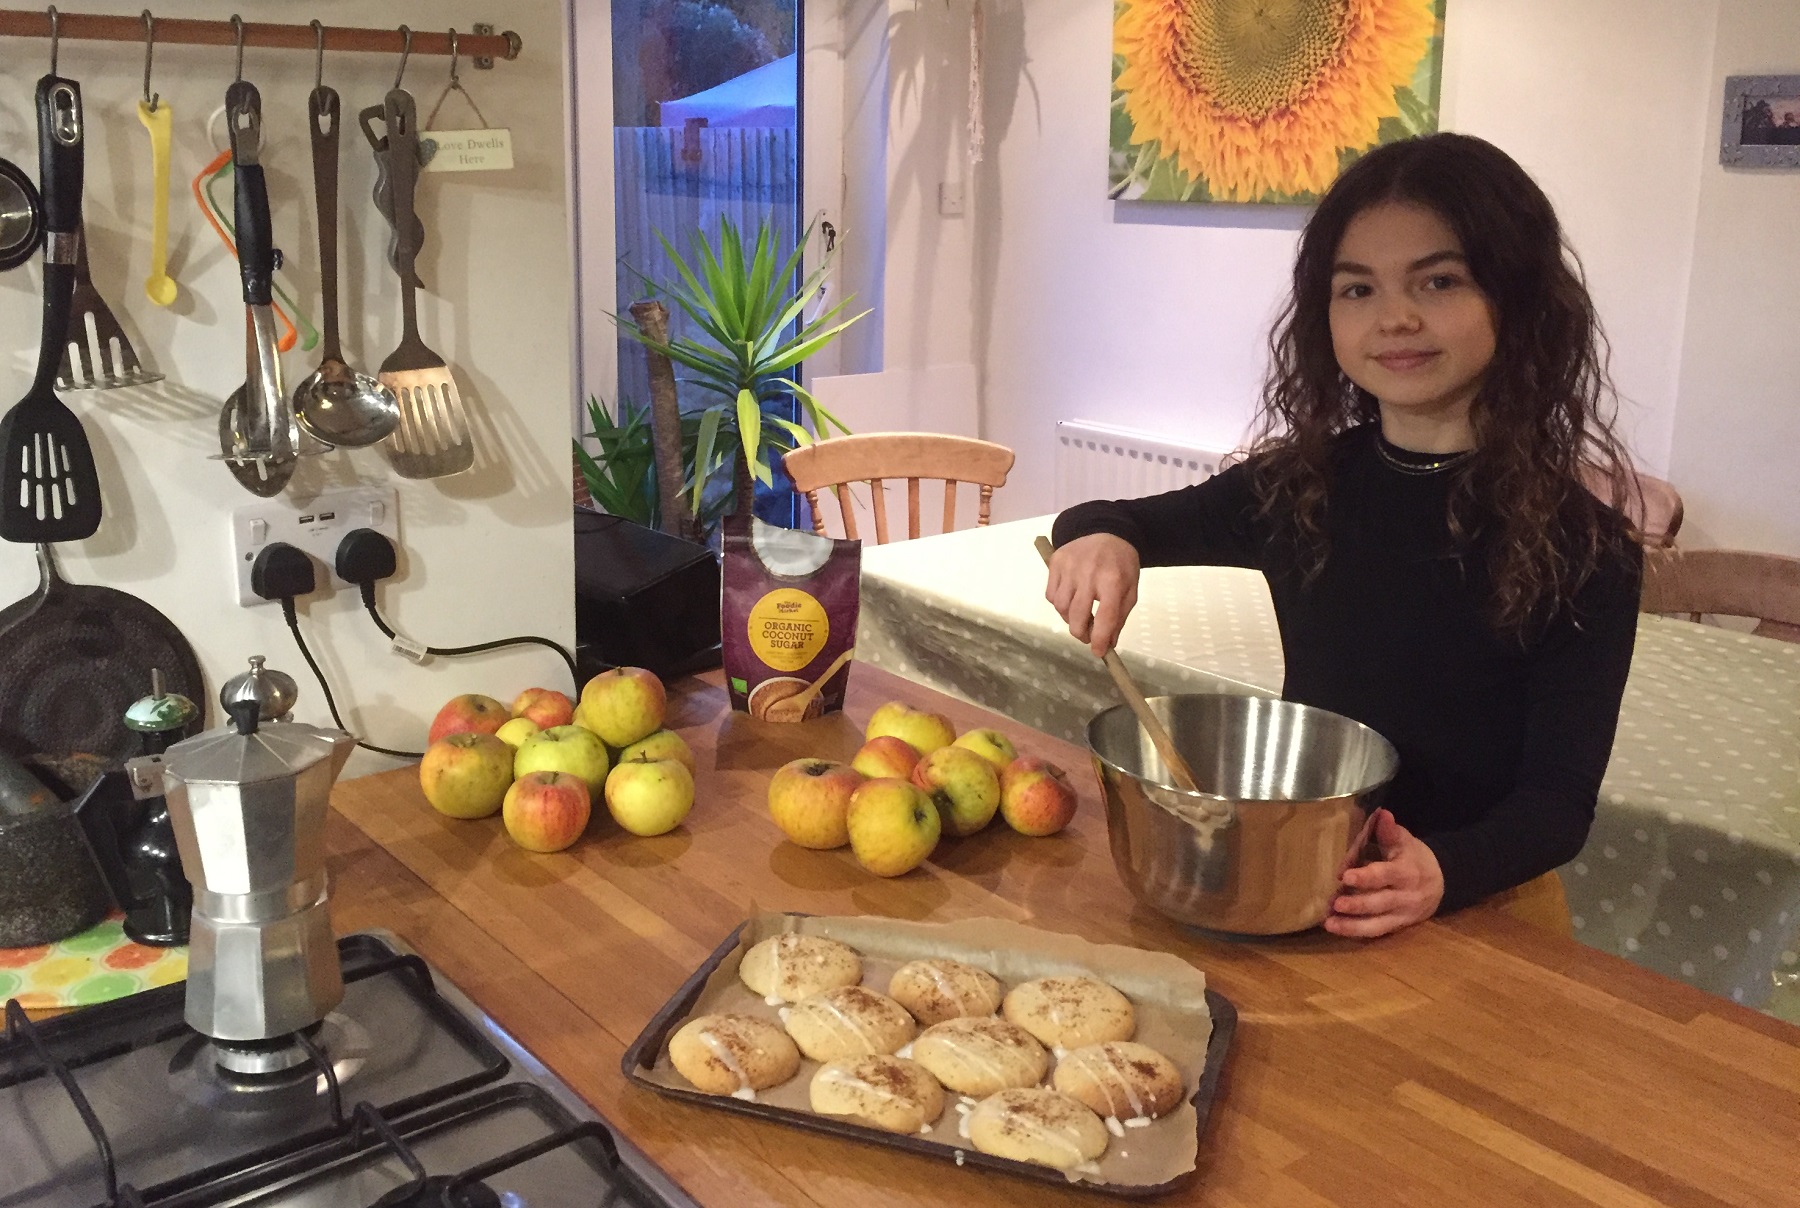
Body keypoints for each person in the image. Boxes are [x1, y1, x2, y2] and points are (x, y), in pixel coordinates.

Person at [1047, 132, 1644, 939]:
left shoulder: (1587, 546)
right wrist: (1099, 539)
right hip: (1302, 875)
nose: (1395, 317)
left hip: (1473, 905)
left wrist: (1445, 871)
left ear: (1520, 297)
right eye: (1357, 289)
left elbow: (1556, 808)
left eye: (1439, 281)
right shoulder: (1303, 485)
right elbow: (1124, 521)